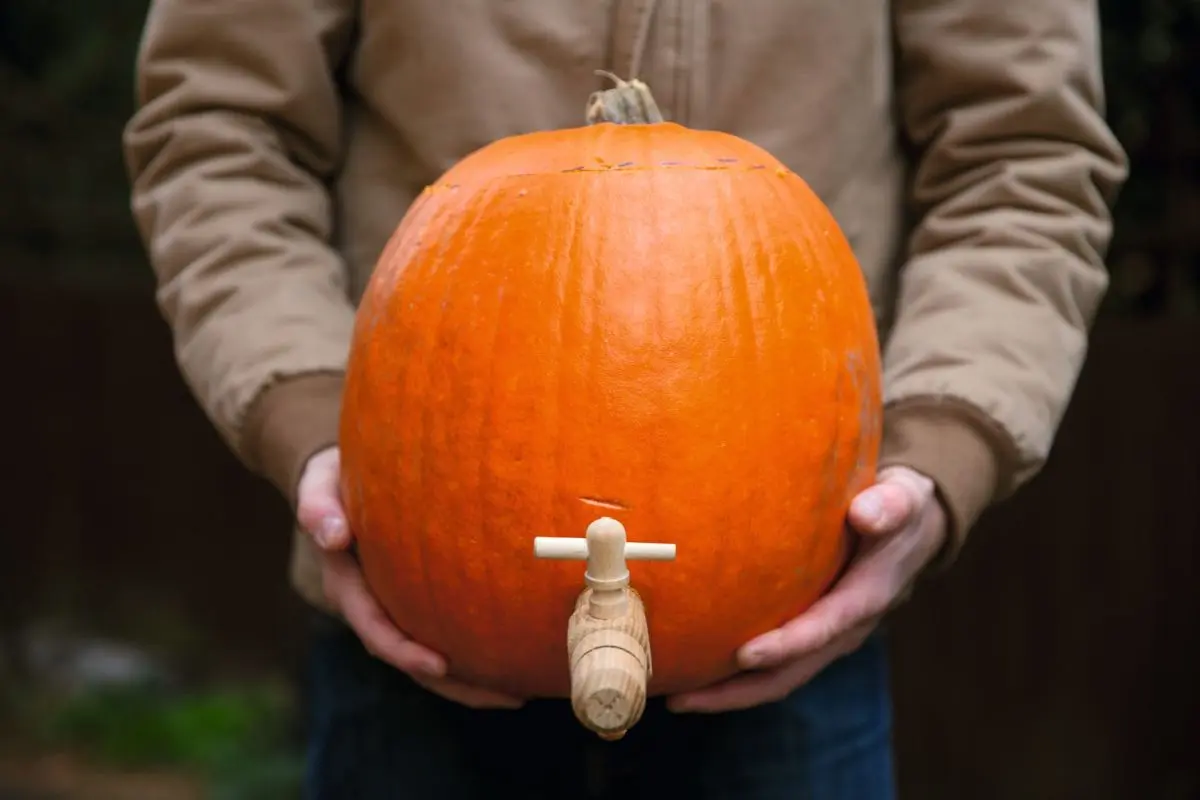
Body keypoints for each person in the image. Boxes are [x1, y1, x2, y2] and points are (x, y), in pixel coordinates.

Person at [123, 1, 1126, 797]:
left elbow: (1022, 157)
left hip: (797, 593)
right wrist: (305, 416)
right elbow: (219, 126)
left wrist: (944, 447)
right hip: (411, 582)